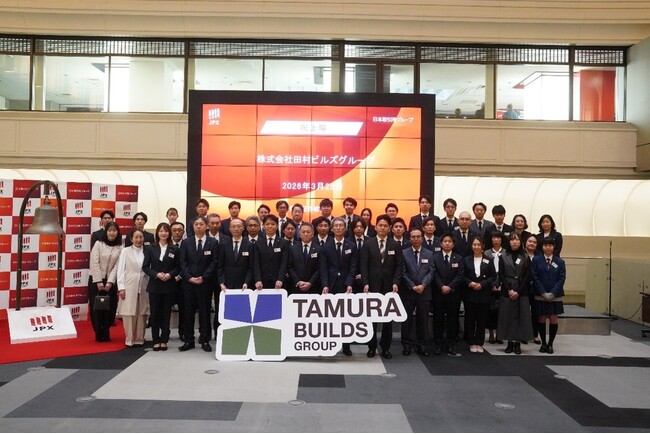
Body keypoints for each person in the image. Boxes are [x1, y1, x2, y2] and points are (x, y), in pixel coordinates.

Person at [360, 214, 404, 359]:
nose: (383, 228)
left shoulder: (395, 245)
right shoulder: (368, 244)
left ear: (389, 228)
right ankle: (371, 347)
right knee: (372, 319)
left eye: (385, 226)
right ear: (376, 227)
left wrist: (396, 282)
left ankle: (385, 348)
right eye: (380, 225)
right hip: (372, 286)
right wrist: (365, 283)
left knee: (387, 320)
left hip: (389, 287)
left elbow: (399, 266)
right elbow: (364, 266)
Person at [179, 216, 218, 352]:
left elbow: (214, 262)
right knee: (188, 312)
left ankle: (205, 339)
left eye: (201, 224)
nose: (199, 226)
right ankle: (188, 340)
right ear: (193, 226)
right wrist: (189, 277)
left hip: (205, 283)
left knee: (205, 312)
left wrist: (204, 277)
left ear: (206, 226)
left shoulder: (213, 242)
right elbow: (182, 262)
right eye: (196, 224)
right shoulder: (186, 242)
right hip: (189, 283)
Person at [320, 218, 357, 356]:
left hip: (346, 285)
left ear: (345, 228)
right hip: (331, 285)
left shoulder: (351, 246)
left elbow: (353, 267)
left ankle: (346, 346)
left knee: (345, 316)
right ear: (332, 229)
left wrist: (349, 283)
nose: (339, 228)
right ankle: (329, 344)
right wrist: (325, 285)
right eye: (336, 225)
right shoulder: (326, 246)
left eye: (341, 225)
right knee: (330, 316)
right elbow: (323, 268)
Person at [142, 222, 179, 351]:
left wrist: (169, 274)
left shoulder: (174, 249)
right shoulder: (151, 248)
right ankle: (156, 340)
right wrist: (156, 274)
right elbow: (145, 267)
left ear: (169, 233)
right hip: (155, 286)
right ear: (157, 233)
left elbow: (178, 267)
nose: (163, 233)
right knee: (155, 314)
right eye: (161, 231)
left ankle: (164, 340)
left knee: (166, 314)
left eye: (166, 231)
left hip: (168, 286)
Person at [497, 233, 534, 354]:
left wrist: (518, 291)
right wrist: (509, 290)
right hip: (507, 289)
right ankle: (509, 342)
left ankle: (517, 343)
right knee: (507, 316)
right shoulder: (503, 256)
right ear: (509, 242)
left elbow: (527, 275)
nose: (514, 242)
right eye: (512, 240)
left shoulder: (525, 256)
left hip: (521, 290)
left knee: (520, 316)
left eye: (517, 240)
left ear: (520, 242)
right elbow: (501, 275)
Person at [400, 227, 434, 356]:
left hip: (424, 292)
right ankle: (406, 345)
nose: (416, 239)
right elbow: (402, 272)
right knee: (407, 320)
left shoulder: (429, 253)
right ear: (409, 238)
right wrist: (413, 286)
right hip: (408, 291)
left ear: (422, 238)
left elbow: (431, 271)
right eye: (413, 237)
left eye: (418, 237)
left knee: (423, 320)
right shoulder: (404, 253)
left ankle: (422, 345)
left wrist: (423, 285)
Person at [432, 233, 465, 355]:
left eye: (449, 241)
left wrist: (449, 287)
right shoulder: (434, 257)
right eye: (445, 241)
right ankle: (438, 344)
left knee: (453, 319)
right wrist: (442, 286)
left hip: (453, 293)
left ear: (453, 244)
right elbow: (433, 273)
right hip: (438, 293)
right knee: (438, 319)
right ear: (441, 244)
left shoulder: (459, 258)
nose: (447, 243)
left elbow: (460, 275)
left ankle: (451, 344)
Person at [531, 237, 566, 354]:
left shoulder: (560, 262)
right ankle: (543, 343)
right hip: (540, 294)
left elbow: (561, 279)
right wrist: (543, 292)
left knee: (553, 319)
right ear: (542, 247)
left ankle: (550, 344)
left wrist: (553, 293)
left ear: (554, 247)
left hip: (555, 296)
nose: (548, 248)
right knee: (541, 318)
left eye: (550, 245)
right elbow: (534, 277)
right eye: (545, 245)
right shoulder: (536, 260)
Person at [89, 221, 122, 342]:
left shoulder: (120, 247)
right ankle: (98, 332)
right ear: (106, 232)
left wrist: (110, 282)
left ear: (117, 232)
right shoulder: (98, 244)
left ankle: (106, 331)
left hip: (110, 282)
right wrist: (98, 281)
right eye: (110, 230)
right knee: (97, 308)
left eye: (114, 230)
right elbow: (94, 262)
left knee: (110, 308)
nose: (112, 233)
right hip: (95, 280)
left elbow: (117, 266)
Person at [117, 229, 150, 348]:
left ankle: (140, 338)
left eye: (140, 237)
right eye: (136, 237)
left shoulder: (148, 251)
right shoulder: (125, 251)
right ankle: (129, 339)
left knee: (142, 312)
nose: (138, 240)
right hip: (129, 285)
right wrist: (121, 287)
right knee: (129, 312)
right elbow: (121, 270)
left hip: (144, 284)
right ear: (131, 239)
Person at [463, 236, 496, 353]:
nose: (476, 247)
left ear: (483, 246)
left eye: (478, 245)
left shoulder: (489, 260)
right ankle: (471, 342)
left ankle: (479, 342)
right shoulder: (466, 259)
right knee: (470, 319)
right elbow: (462, 275)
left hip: (483, 294)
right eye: (474, 244)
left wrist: (482, 284)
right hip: (470, 294)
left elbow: (493, 276)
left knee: (482, 320)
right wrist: (470, 283)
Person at [254, 214, 290, 290]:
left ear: (277, 226)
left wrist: (280, 279)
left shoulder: (284, 243)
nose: (270, 226)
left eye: (273, 224)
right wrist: (258, 279)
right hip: (262, 282)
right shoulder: (258, 243)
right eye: (267, 224)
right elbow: (256, 263)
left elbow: (284, 263)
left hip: (279, 281)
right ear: (263, 226)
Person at [217, 218, 252, 291]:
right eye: (233, 226)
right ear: (230, 229)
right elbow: (220, 265)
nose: (236, 229)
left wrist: (247, 282)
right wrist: (221, 282)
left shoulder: (249, 245)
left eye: (239, 226)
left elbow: (251, 267)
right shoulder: (223, 244)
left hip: (244, 284)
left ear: (243, 228)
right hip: (226, 284)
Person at [484, 230, 506, 344]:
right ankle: (491, 333)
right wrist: (492, 284)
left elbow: (507, 271)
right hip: (489, 286)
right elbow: (485, 271)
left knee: (501, 311)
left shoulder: (506, 252)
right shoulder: (486, 253)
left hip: (503, 285)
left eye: (498, 238)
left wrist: (502, 284)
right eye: (494, 238)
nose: (496, 240)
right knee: (490, 311)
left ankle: (499, 334)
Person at [288, 223, 320, 295]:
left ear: (312, 234)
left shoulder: (319, 249)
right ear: (300, 234)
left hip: (313, 288)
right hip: (296, 287)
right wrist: (298, 281)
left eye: (308, 232)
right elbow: (290, 267)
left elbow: (319, 268)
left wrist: (310, 283)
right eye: (303, 232)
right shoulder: (292, 249)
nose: (306, 234)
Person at [169, 221, 186, 341]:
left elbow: (187, 263)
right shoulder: (166, 244)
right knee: (165, 309)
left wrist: (180, 276)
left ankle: (183, 332)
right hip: (168, 282)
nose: (177, 232)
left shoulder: (187, 244)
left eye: (179, 230)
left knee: (184, 309)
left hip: (183, 282)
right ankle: (165, 332)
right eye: (174, 230)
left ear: (183, 232)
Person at [524, 234, 541, 344]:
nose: (532, 243)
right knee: (524, 312)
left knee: (536, 313)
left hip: (536, 288)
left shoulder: (540, 256)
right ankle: (524, 335)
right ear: (525, 242)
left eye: (534, 242)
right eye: (530, 241)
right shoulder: (521, 254)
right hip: (523, 288)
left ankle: (535, 334)